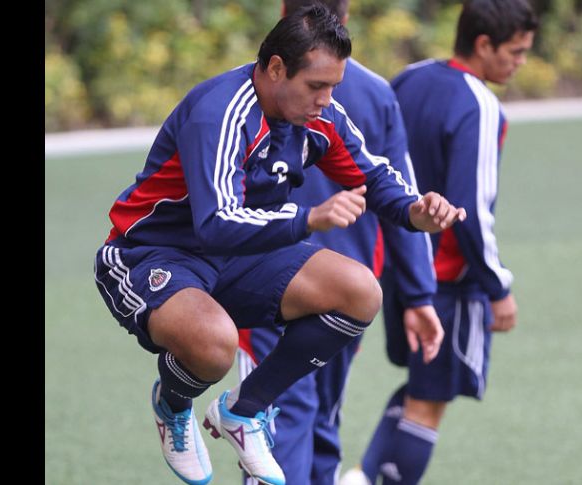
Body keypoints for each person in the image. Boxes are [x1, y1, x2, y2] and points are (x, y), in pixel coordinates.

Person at [92, 6, 466, 485]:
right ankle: (173, 403)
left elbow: (371, 175)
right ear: (275, 68)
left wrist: (416, 210)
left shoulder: (318, 116)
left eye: (333, 87)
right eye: (316, 86)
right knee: (215, 345)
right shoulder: (220, 113)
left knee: (360, 291)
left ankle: (244, 411)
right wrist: (308, 218)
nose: (326, 100)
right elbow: (217, 223)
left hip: (239, 257)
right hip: (152, 255)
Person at [233, 1, 443, 484]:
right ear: (343, 21)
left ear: (284, 15)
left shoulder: (252, 92)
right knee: (322, 419)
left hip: (268, 286)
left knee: (276, 419)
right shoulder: (374, 92)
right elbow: (401, 191)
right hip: (348, 290)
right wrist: (419, 295)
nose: (323, 99)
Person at [340, 1, 538, 484]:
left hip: (396, 266)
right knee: (429, 402)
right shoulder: (480, 105)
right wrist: (497, 287)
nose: (521, 62)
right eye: (516, 52)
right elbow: (470, 211)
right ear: (484, 44)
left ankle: (361, 476)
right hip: (447, 279)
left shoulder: (410, 78)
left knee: (421, 387)